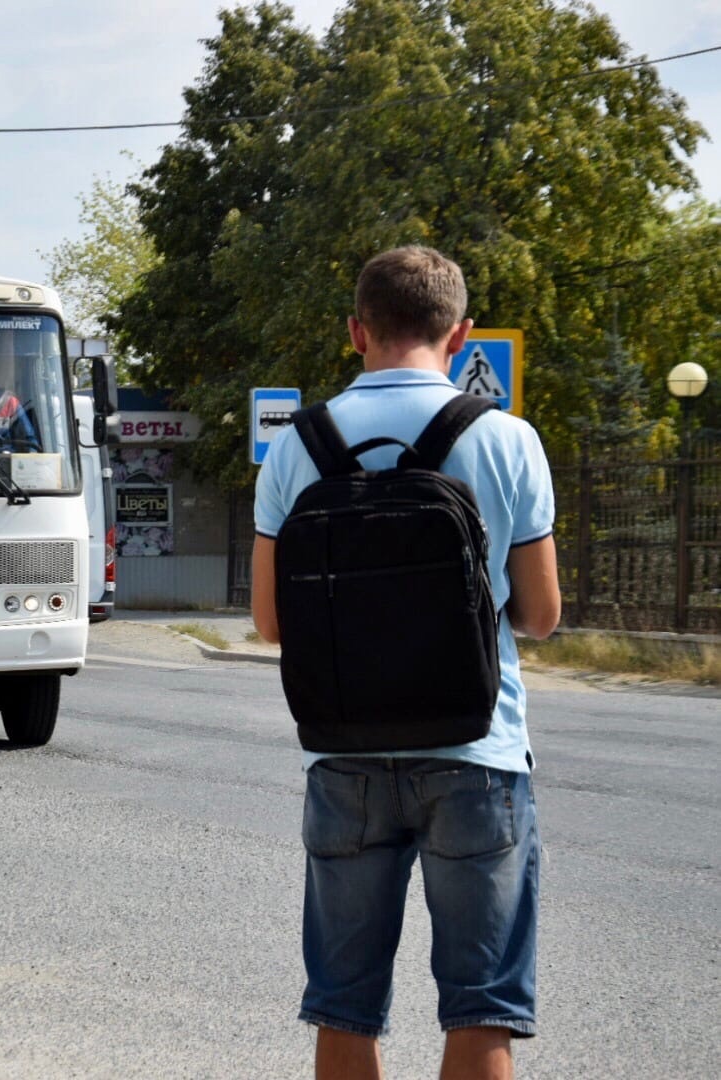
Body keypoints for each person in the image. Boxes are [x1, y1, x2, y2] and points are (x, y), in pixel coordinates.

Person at [251, 246, 561, 1080]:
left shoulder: (295, 448)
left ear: (357, 331)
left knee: (344, 1006)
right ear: (460, 335)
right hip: (477, 754)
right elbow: (539, 615)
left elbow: (270, 622)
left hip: (344, 756)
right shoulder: (506, 439)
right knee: (481, 1007)